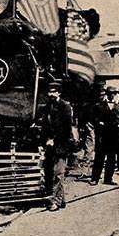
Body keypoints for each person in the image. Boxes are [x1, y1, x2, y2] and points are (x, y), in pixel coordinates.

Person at [38, 81, 74, 211]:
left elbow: (66, 128)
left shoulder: (65, 107)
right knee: (48, 173)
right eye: (49, 91)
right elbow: (44, 127)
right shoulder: (47, 107)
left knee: (58, 173)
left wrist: (55, 140)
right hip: (49, 146)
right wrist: (42, 143)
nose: (51, 94)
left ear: (59, 92)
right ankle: (60, 200)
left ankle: (55, 201)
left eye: (54, 91)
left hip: (61, 146)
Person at [90, 86, 119, 186]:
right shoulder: (99, 106)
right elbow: (93, 119)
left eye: (113, 93)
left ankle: (108, 178)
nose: (111, 95)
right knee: (99, 158)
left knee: (111, 159)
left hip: (113, 137)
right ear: (106, 94)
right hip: (102, 136)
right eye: (110, 93)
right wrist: (99, 123)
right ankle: (95, 178)